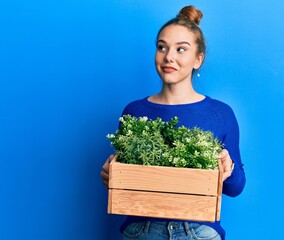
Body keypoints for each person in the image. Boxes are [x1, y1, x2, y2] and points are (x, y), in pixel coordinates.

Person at [101, 5, 246, 240]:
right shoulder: (134, 111)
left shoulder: (220, 113)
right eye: (162, 47)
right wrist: (111, 175)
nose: (169, 57)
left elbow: (236, 188)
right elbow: (127, 181)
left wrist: (228, 169)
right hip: (142, 231)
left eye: (181, 49)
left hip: (198, 232)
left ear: (198, 59)